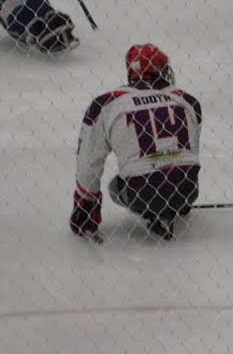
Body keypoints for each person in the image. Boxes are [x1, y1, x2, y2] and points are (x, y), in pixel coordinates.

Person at [69, 44, 203, 241]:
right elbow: (191, 152)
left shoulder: (107, 103)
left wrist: (86, 203)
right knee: (175, 167)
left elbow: (89, 159)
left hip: (140, 192)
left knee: (116, 186)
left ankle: (154, 209)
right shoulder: (187, 99)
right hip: (187, 190)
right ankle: (170, 208)